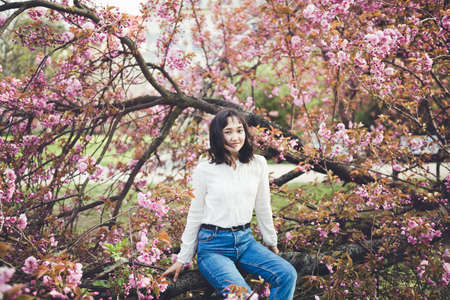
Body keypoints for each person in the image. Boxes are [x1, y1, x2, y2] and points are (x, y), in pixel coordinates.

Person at [163, 109, 297, 299]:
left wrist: (270, 241)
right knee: (242, 296)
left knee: (287, 274)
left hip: (245, 242)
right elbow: (195, 214)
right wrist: (183, 258)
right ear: (218, 135)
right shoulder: (205, 170)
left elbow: (263, 206)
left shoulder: (258, 163)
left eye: (239, 130)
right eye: (228, 132)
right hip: (212, 247)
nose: (235, 137)